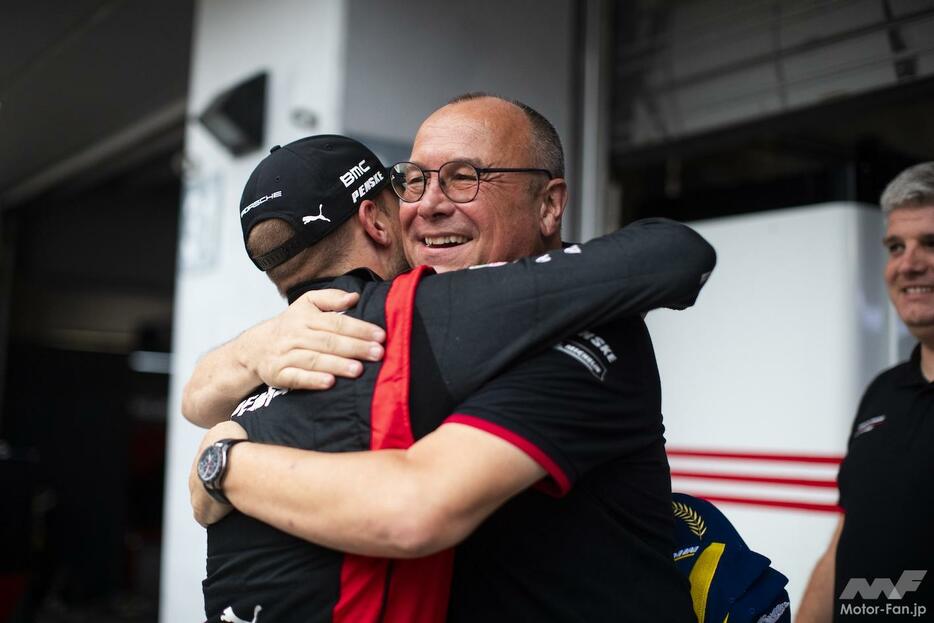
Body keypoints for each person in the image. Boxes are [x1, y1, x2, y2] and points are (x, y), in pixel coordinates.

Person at [188, 94, 710, 622]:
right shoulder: (361, 334)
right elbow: (197, 397)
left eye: (464, 178)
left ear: (549, 204)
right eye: (414, 180)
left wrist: (224, 464)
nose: (428, 204)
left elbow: (416, 509)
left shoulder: (588, 324)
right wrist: (255, 348)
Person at [796, 162, 934, 622]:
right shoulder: (883, 392)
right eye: (896, 246)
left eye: (931, 243)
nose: (909, 263)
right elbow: (844, 539)